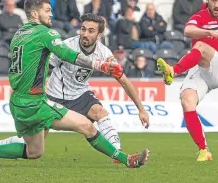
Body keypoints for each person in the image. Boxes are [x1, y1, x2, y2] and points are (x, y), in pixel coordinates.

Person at [0, 0, 149, 168]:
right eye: (47, 10)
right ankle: (127, 160)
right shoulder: (45, 34)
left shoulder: (20, 33)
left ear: (99, 35)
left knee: (34, 151)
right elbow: (68, 55)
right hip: (36, 102)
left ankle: (118, 150)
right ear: (34, 13)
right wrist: (99, 65)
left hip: (18, 101)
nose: (51, 14)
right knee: (87, 126)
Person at [157, 0, 218, 162]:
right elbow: (188, 31)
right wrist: (210, 32)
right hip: (199, 70)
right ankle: (204, 150)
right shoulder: (200, 16)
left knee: (201, 46)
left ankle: (173, 70)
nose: (216, 4)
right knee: (186, 101)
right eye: (213, 0)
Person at [45, 13, 149, 158]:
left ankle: (118, 154)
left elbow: (124, 81)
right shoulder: (66, 46)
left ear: (99, 35)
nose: (85, 34)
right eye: (83, 29)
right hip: (55, 96)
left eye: (91, 31)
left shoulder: (104, 53)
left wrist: (141, 110)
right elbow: (44, 69)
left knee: (100, 112)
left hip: (80, 94)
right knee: (35, 146)